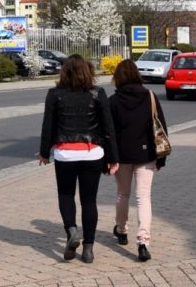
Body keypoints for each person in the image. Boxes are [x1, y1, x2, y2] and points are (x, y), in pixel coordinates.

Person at [39, 54, 119, 263]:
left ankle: (72, 231)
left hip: (65, 153)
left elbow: (48, 125)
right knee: (89, 200)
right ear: (88, 71)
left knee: (66, 195)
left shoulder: (54, 94)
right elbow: (108, 127)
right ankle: (89, 248)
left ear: (64, 71)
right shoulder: (98, 93)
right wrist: (113, 156)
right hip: (92, 152)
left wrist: (44, 152)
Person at [109, 59, 168, 262]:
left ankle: (121, 230)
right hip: (147, 154)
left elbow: (109, 133)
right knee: (143, 197)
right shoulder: (150, 96)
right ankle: (143, 242)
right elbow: (161, 126)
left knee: (122, 194)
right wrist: (161, 159)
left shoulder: (113, 101)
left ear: (119, 77)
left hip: (122, 156)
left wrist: (109, 158)